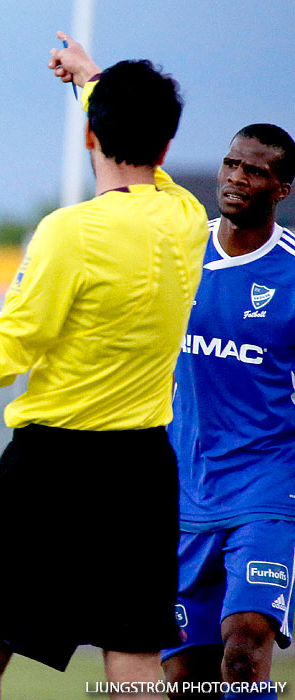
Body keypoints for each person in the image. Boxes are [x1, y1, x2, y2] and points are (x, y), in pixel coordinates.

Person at [0, 33, 208, 700]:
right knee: (134, 661)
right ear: (168, 146)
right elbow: (148, 167)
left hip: (53, 469)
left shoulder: (68, 233)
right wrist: (94, 81)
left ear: (91, 136)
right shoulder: (187, 218)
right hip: (144, 469)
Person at [162, 125, 295, 700]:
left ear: (282, 189)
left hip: (267, 490)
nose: (237, 179)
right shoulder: (179, 251)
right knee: (184, 679)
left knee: (243, 650)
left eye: (255, 171)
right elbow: (129, 153)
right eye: (231, 164)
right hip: (183, 488)